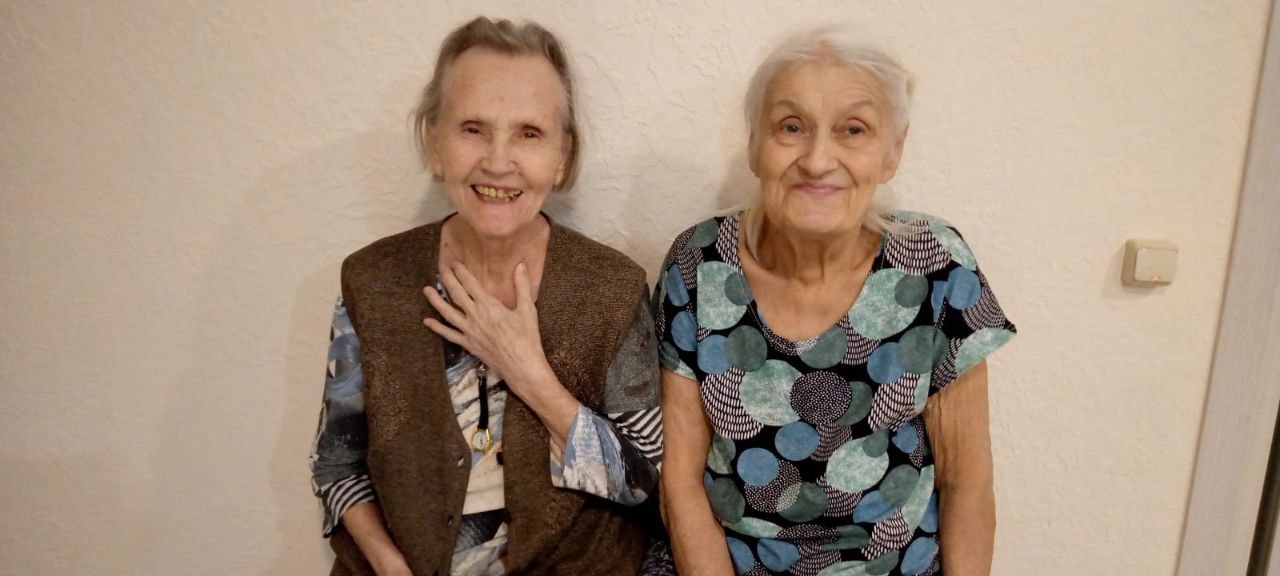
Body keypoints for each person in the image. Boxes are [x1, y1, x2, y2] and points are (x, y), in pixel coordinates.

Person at [309, 17, 662, 576]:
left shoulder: (612, 288)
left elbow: (646, 480)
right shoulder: (372, 280)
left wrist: (529, 374)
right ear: (435, 143)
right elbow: (337, 464)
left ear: (562, 156)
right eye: (473, 128)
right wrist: (388, 564)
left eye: (529, 133)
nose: (498, 161)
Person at [657, 29, 1016, 576]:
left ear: (893, 151)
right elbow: (680, 484)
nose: (818, 160)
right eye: (791, 126)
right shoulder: (697, 265)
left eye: (853, 129)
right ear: (754, 144)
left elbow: (965, 480)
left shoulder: (935, 265)